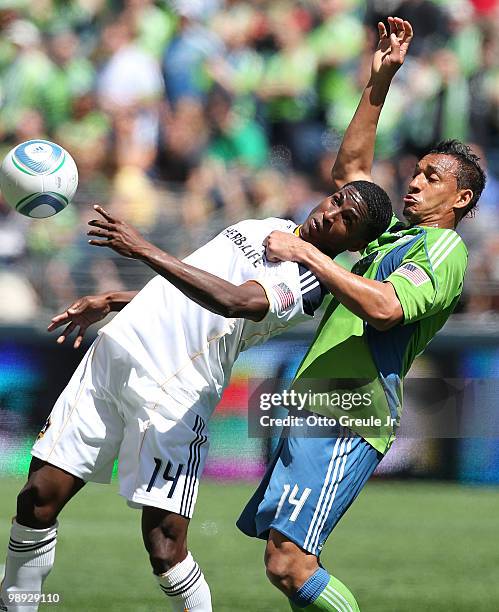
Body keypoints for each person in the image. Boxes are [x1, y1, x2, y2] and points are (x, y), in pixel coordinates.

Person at [0, 180, 392, 612]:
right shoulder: (269, 225)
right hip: (117, 352)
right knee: (37, 498)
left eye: (347, 221)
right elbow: (186, 294)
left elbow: (231, 300)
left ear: (356, 243)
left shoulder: (308, 286)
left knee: (164, 548)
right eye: (336, 201)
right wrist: (115, 300)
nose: (331, 215)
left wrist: (143, 248)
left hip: (174, 389)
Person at [236, 17, 486, 612]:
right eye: (418, 171)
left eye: (433, 177)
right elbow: (350, 172)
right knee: (284, 561)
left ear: (463, 199)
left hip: (351, 410)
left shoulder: (443, 249)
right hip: (319, 400)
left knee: (292, 562)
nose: (415, 182)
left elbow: (386, 307)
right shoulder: (393, 238)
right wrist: (381, 81)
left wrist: (304, 254)